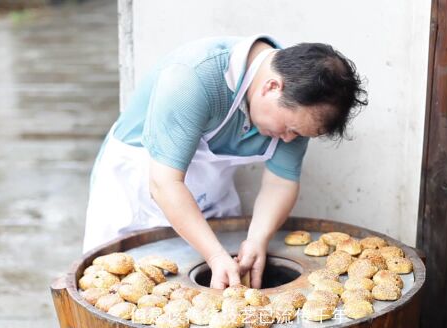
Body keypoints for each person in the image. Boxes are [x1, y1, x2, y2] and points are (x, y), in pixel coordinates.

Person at [83, 34, 367, 289]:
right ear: (271, 87)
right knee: (119, 290)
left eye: (300, 134)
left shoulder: (304, 106)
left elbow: (281, 181)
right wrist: (215, 254)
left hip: (207, 194)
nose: (289, 139)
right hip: (138, 188)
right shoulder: (193, 77)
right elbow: (164, 183)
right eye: (290, 129)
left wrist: (257, 239)